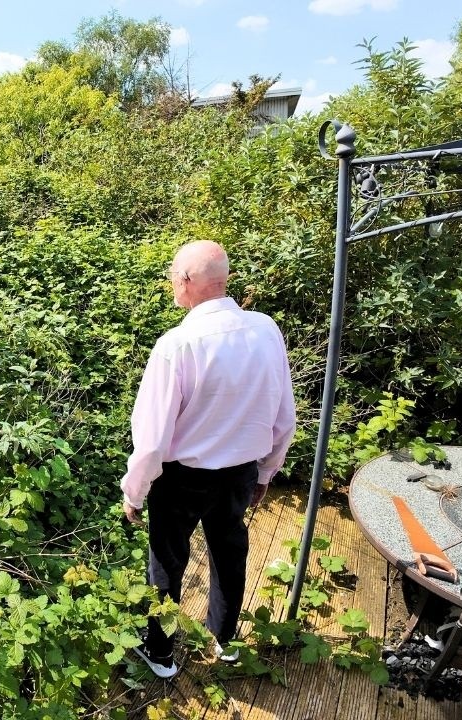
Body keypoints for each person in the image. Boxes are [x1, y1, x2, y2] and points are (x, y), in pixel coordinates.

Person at [122, 240, 296, 679]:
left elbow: (152, 438)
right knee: (229, 549)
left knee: (167, 559)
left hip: (181, 478)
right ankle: (224, 639)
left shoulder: (177, 344)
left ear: (184, 282)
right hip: (240, 472)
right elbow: (283, 414)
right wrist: (266, 471)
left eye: (171, 275)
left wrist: (134, 492)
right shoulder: (265, 329)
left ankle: (160, 654)